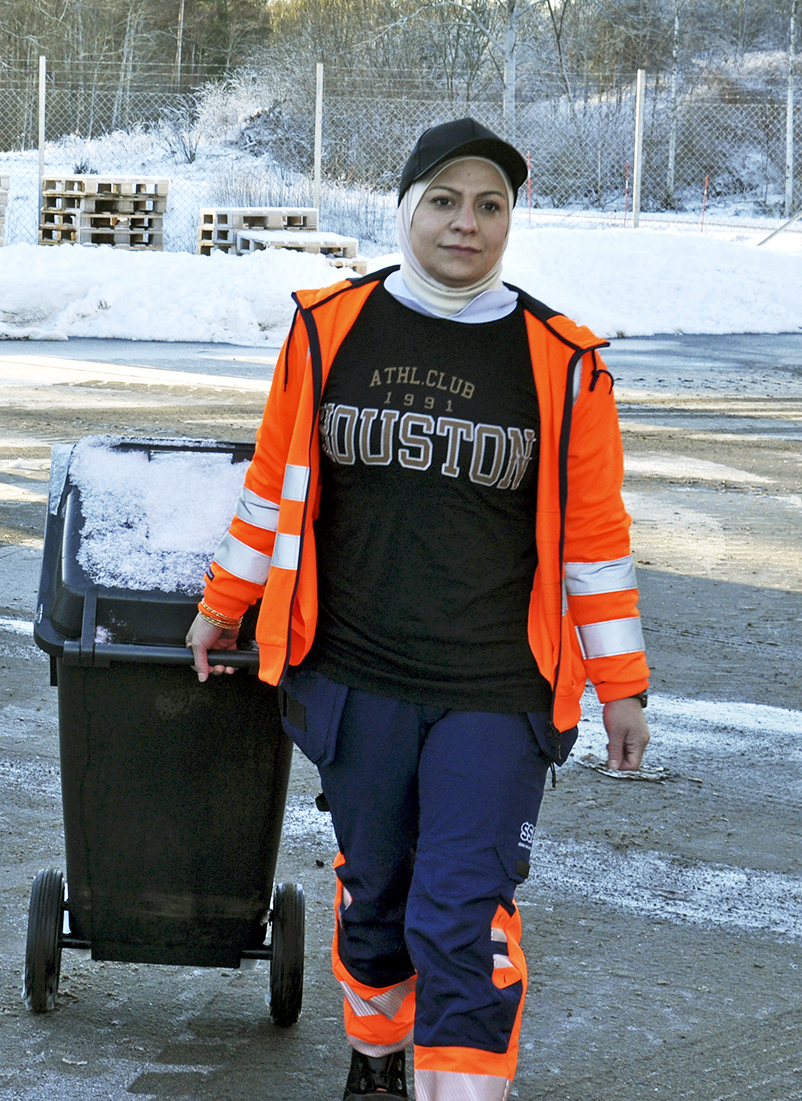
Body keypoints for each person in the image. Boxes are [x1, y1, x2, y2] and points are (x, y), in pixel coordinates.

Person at [185, 119, 652, 1101]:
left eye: (490, 205)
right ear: (403, 207)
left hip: (497, 690)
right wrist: (223, 602)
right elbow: (274, 488)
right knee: (378, 899)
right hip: (354, 678)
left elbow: (595, 542)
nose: (465, 224)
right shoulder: (327, 331)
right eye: (443, 199)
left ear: (511, 222)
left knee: (461, 913)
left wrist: (621, 686)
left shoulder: (561, 362)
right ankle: (375, 1057)